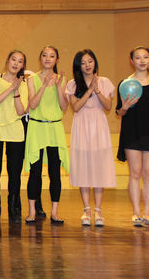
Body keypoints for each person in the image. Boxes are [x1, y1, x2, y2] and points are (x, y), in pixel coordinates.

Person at [66, 49, 116, 226]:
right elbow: (76, 107)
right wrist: (89, 90)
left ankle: (98, 211)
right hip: (81, 126)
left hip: (99, 127)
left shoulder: (105, 81)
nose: (87, 65)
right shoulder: (73, 84)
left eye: (90, 61)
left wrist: (98, 90)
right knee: (83, 168)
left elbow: (108, 106)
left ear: (95, 62)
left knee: (99, 167)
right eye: (83, 63)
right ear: (78, 66)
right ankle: (86, 210)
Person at [24, 46, 69, 224]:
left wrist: (58, 87)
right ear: (40, 58)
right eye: (45, 55)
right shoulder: (32, 79)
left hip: (54, 128)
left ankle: (55, 212)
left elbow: (64, 107)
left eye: (52, 56)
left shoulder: (62, 80)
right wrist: (43, 85)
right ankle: (32, 211)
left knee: (54, 172)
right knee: (35, 172)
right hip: (37, 127)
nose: (48, 59)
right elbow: (33, 105)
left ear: (56, 60)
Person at [0, 51, 28, 223]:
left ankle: (13, 208)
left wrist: (16, 91)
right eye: (13, 59)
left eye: (20, 61)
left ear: (23, 65)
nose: (16, 63)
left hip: (15, 130)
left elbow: (21, 111)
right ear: (7, 61)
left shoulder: (23, 85)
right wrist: (11, 88)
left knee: (14, 173)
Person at [116, 46, 149, 227]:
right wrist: (125, 107)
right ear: (131, 61)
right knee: (135, 172)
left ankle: (147, 213)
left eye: (145, 57)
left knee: (148, 172)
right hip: (132, 132)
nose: (142, 61)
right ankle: (136, 213)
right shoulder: (125, 83)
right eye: (138, 57)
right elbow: (119, 112)